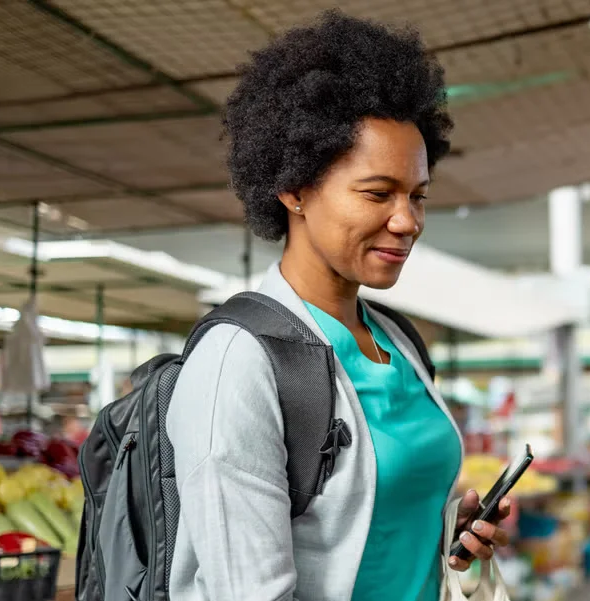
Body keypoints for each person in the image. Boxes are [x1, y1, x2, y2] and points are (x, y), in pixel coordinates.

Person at [166, 12, 510, 601]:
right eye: (378, 193)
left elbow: (367, 525)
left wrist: (449, 540)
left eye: (417, 196)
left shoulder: (398, 341)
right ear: (294, 188)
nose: (407, 222)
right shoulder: (237, 364)